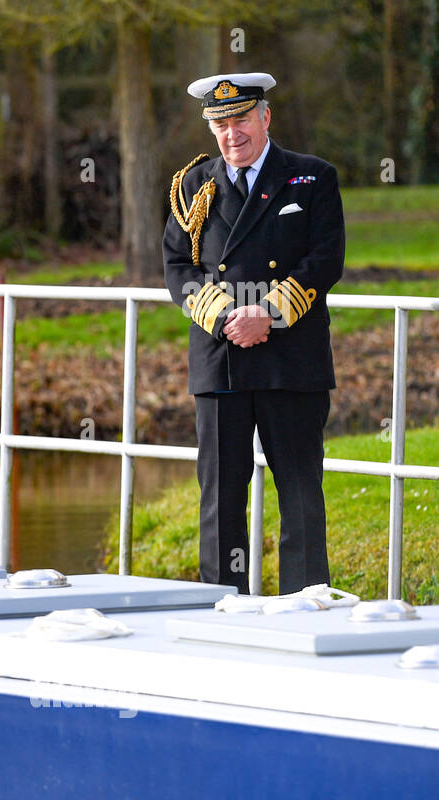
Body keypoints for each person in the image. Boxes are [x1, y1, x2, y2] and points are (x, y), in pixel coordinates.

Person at [162, 72, 345, 594]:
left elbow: (325, 259)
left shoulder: (311, 177)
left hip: (291, 356)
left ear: (265, 117)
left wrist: (267, 313)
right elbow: (177, 265)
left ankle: (306, 604)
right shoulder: (193, 185)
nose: (231, 133)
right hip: (221, 359)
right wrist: (225, 317)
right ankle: (223, 606)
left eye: (240, 119)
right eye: (220, 123)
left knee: (301, 490)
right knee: (220, 496)